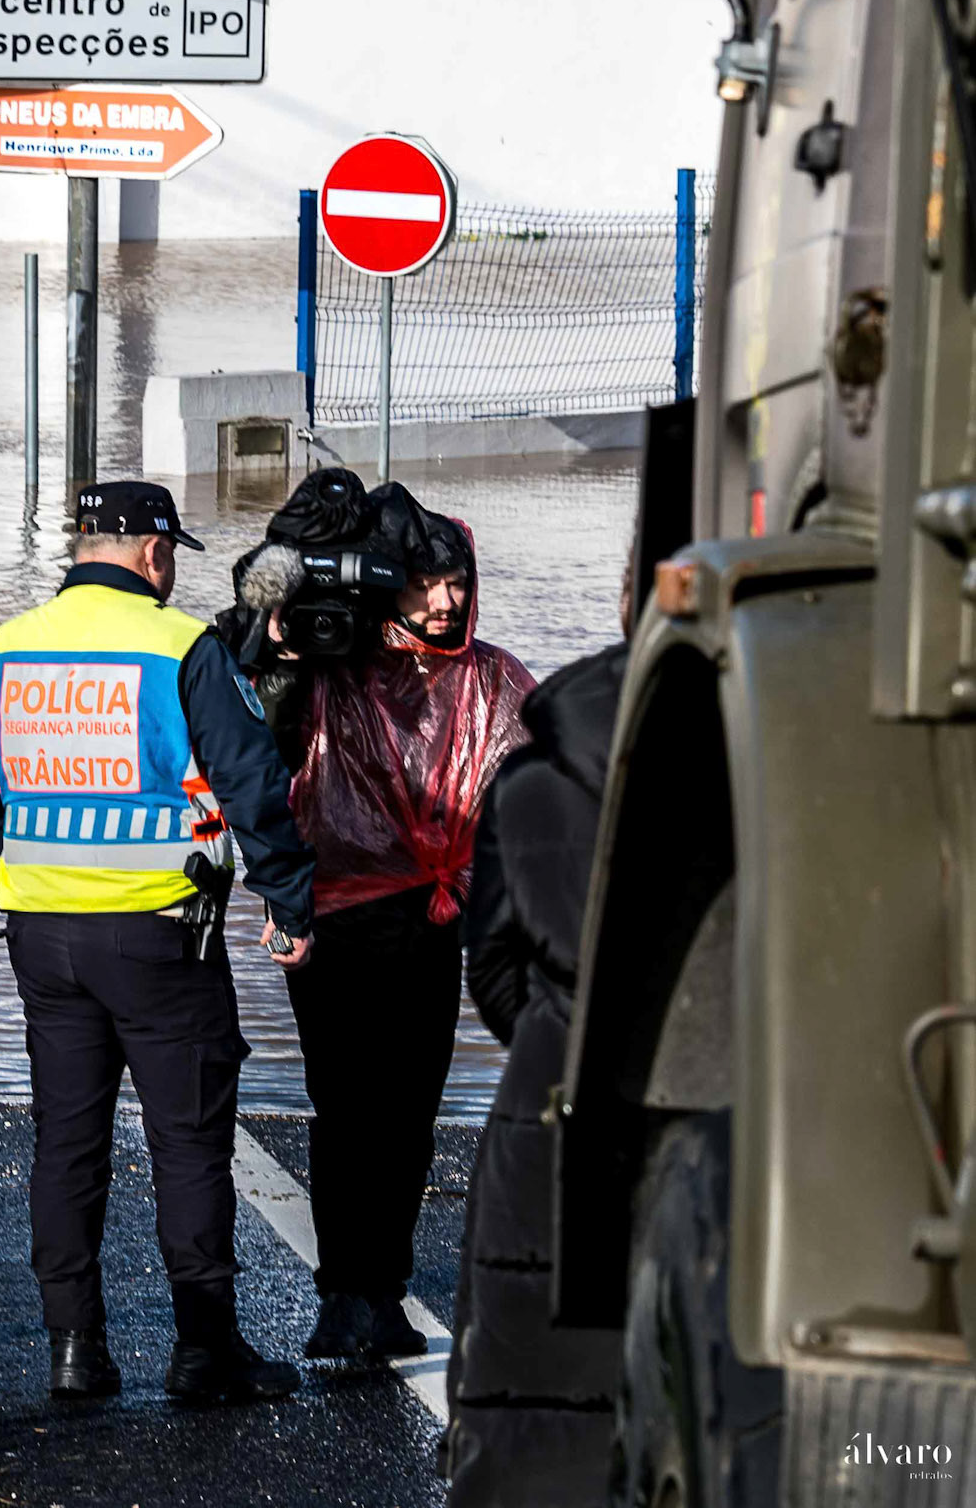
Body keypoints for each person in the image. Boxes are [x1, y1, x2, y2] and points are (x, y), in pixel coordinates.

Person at [0, 481, 318, 1406]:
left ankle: (75, 1352)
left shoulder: (2, 648)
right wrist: (289, 900)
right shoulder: (179, 646)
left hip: (43, 938)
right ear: (153, 554)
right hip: (160, 937)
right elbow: (252, 783)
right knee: (188, 1144)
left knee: (67, 1143)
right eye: (172, 554)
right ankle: (203, 1354)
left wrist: (20, 875)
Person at [231, 470, 534, 1363]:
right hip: (336, 916)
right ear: (384, 584)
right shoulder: (334, 667)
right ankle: (343, 1293)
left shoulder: (491, 679)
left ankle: (381, 1290)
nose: (443, 602)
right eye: (423, 584)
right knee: (346, 1106)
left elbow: (534, 787)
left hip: (434, 920)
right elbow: (252, 691)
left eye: (457, 585)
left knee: (409, 1112)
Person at [441, 587, 629, 1505]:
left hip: (559, 1097)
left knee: (526, 1389)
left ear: (630, 603)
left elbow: (495, 970)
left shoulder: (534, 777)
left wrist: (559, 1035)